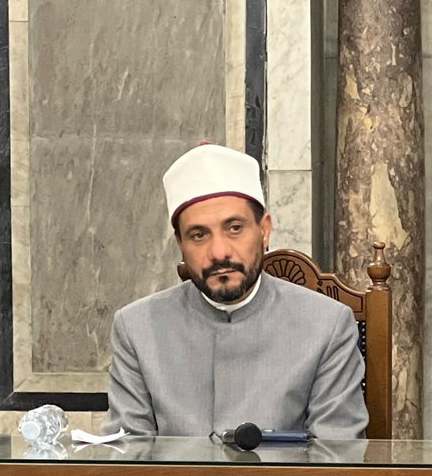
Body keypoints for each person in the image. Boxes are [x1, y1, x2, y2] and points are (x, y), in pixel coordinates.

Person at [103, 143, 368, 438]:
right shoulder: (137, 328)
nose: (219, 252)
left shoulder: (327, 325)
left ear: (264, 230)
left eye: (234, 228)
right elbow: (127, 453)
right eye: (199, 235)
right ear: (180, 244)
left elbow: (337, 452)